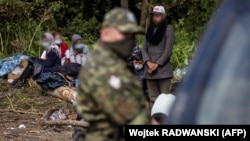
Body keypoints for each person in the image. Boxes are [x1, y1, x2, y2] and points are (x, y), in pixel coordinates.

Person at [76, 8, 149, 141]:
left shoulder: (119, 64)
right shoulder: (100, 68)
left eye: (131, 35)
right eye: (123, 33)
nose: (129, 40)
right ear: (105, 33)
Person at [142, 5, 175, 107]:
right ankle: (154, 121)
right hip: (149, 71)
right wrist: (148, 62)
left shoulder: (168, 30)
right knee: (153, 100)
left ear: (163, 16)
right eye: (154, 15)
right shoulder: (149, 30)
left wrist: (157, 64)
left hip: (163, 71)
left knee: (165, 99)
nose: (155, 17)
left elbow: (168, 50)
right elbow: (144, 48)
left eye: (158, 15)